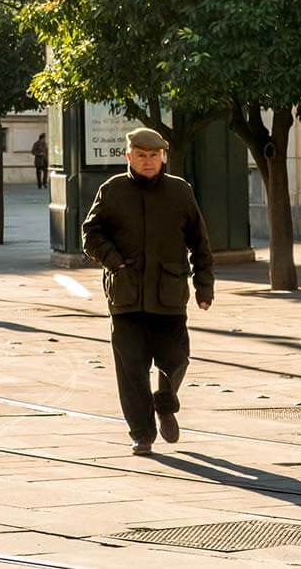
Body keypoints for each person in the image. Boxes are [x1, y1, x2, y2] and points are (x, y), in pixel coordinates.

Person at [83, 127, 214, 456]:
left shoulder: (180, 192)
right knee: (131, 370)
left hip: (168, 295)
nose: (148, 161)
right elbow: (90, 234)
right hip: (125, 297)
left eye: (154, 156)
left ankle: (165, 402)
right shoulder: (112, 190)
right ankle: (142, 434)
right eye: (141, 156)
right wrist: (116, 264)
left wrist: (204, 286)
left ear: (163, 157)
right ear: (129, 156)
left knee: (177, 358)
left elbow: (200, 243)